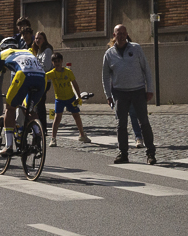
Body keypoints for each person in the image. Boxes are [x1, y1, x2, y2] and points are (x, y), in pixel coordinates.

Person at [101, 24, 156, 165]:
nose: (121, 35)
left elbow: (147, 69)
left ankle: (150, 153)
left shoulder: (136, 48)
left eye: (123, 33)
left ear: (127, 34)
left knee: (144, 122)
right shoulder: (109, 54)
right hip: (120, 93)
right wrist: (108, 95)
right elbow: (105, 76)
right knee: (121, 125)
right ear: (114, 35)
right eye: (118, 33)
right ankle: (123, 153)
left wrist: (150, 89)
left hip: (138, 91)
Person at [0, 36, 47, 159]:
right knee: (29, 108)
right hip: (42, 77)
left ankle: (9, 146)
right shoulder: (27, 51)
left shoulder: (0, 55)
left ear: (2, 48)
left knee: (10, 108)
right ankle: (38, 134)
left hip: (24, 76)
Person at [45, 52, 90, 147]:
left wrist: (79, 96)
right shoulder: (52, 74)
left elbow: (75, 84)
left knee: (76, 116)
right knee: (57, 118)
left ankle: (82, 134)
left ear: (62, 61)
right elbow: (43, 78)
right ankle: (53, 139)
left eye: (58, 61)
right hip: (59, 99)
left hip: (71, 98)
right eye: (55, 61)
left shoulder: (68, 72)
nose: (57, 63)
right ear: (52, 63)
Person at [31, 31, 53, 136]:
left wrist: (34, 68)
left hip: (44, 80)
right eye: (36, 38)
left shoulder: (47, 50)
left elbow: (47, 67)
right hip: (37, 79)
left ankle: (43, 128)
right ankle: (37, 127)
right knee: (36, 104)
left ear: (44, 39)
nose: (37, 40)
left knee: (40, 105)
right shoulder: (38, 51)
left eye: (39, 38)